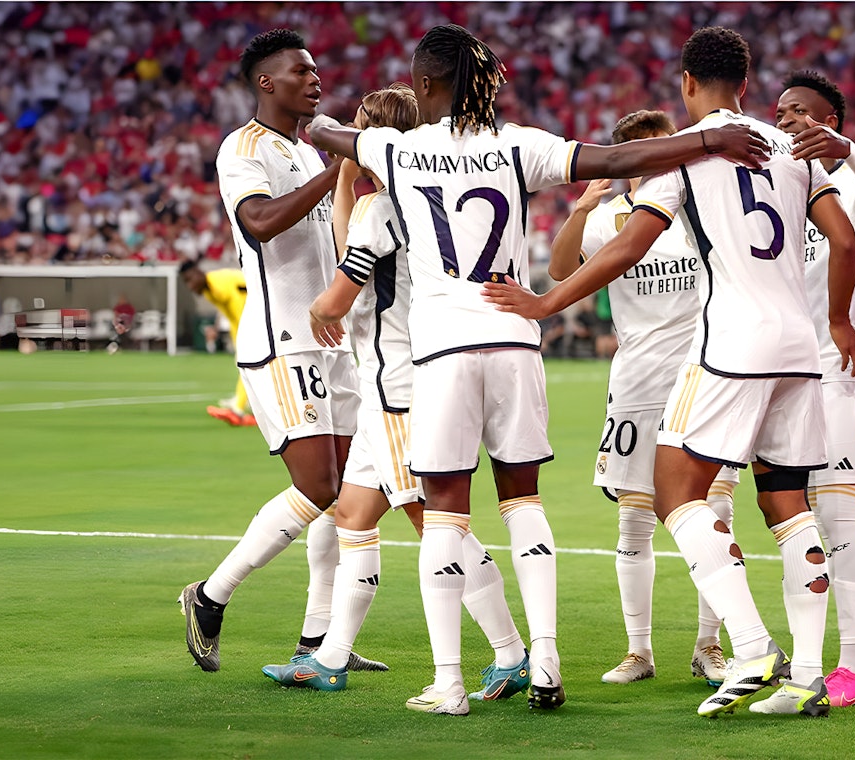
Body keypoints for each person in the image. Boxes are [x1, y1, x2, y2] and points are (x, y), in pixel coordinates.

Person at [308, 23, 770, 715]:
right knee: (523, 502)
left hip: (443, 350)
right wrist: (707, 139)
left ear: (427, 84)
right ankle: (546, 660)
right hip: (516, 340)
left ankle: (449, 683)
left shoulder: (396, 150)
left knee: (444, 513)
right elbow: (620, 160)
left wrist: (314, 120)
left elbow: (332, 136)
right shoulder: (521, 144)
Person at [482, 26, 855, 718]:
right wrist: (839, 321)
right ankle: (807, 675)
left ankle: (750, 645)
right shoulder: (791, 147)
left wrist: (544, 303)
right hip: (800, 349)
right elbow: (843, 237)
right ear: (747, 86)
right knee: (786, 504)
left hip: (732, 345)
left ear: (687, 83)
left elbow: (629, 245)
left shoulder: (688, 153)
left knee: (674, 492)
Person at [260, 84, 532, 704]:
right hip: (391, 384)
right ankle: (329, 657)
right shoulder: (418, 205)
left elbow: (335, 293)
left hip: (401, 389)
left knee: (436, 522)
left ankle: (511, 651)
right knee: (353, 514)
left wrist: (322, 303)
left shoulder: (382, 211)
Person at [179, 28, 374, 677]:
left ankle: (317, 641)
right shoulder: (244, 148)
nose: (316, 79)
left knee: (347, 490)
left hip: (337, 341)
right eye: (301, 71)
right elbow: (259, 224)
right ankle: (210, 596)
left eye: (317, 70)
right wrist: (333, 176)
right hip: (282, 339)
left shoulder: (313, 148)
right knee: (318, 483)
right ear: (267, 82)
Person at [547, 109, 737, 688]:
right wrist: (580, 208)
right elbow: (559, 273)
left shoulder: (698, 209)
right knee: (634, 521)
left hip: (701, 375)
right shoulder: (609, 221)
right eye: (649, 153)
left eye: (668, 149)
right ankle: (639, 651)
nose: (661, 161)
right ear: (630, 162)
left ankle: (711, 644)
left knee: (716, 510)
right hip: (635, 380)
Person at [769, 69, 855, 709]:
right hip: (799, 372)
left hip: (852, 367)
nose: (789, 117)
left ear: (834, 123)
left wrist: (846, 152)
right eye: (781, 109)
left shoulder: (850, 183)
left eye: (804, 111)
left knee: (842, 518)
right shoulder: (777, 186)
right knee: (820, 516)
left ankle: (850, 666)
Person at [179, 259, 257, 427]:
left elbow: (241, 308)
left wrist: (245, 334)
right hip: (246, 321)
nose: (190, 286)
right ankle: (250, 402)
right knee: (245, 362)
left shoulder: (220, 283)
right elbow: (230, 314)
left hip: (257, 319)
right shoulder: (208, 290)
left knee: (249, 364)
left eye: (190, 280)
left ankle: (237, 408)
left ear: (198, 273)